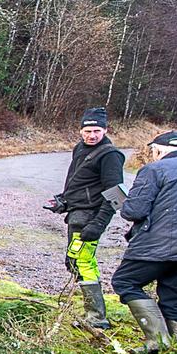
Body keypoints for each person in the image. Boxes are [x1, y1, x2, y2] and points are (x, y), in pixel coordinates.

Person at [111, 130, 177, 353]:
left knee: (125, 282)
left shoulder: (154, 170)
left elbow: (133, 211)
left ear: (158, 149)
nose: (152, 155)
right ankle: (176, 352)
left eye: (153, 151)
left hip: (156, 245)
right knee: (173, 295)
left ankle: (157, 342)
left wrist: (123, 202)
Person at [45, 107, 126, 329]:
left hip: (90, 219)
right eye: (88, 130)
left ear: (106, 130)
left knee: (83, 262)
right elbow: (79, 182)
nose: (92, 135)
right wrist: (64, 201)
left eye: (97, 131)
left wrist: (99, 224)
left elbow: (116, 195)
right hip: (77, 214)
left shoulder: (110, 155)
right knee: (73, 262)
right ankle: (88, 310)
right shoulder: (79, 149)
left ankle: (96, 318)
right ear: (80, 131)